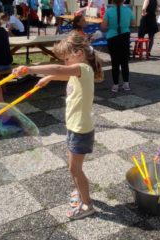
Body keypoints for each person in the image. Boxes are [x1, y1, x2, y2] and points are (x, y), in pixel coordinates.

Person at [13, 32, 103, 220]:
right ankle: (79, 192)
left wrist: (29, 69)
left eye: (66, 58)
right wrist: (49, 78)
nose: (65, 63)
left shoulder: (83, 68)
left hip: (81, 129)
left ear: (78, 53)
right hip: (74, 127)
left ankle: (88, 205)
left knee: (75, 169)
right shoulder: (78, 71)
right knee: (73, 167)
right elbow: (62, 73)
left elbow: (59, 70)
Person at [101, 0, 135, 92]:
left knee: (115, 62)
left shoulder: (108, 11)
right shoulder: (128, 10)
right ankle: (126, 84)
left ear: (112, 1)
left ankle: (115, 85)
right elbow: (133, 23)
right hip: (124, 36)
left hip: (112, 37)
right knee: (124, 61)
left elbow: (103, 27)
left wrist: (111, 27)